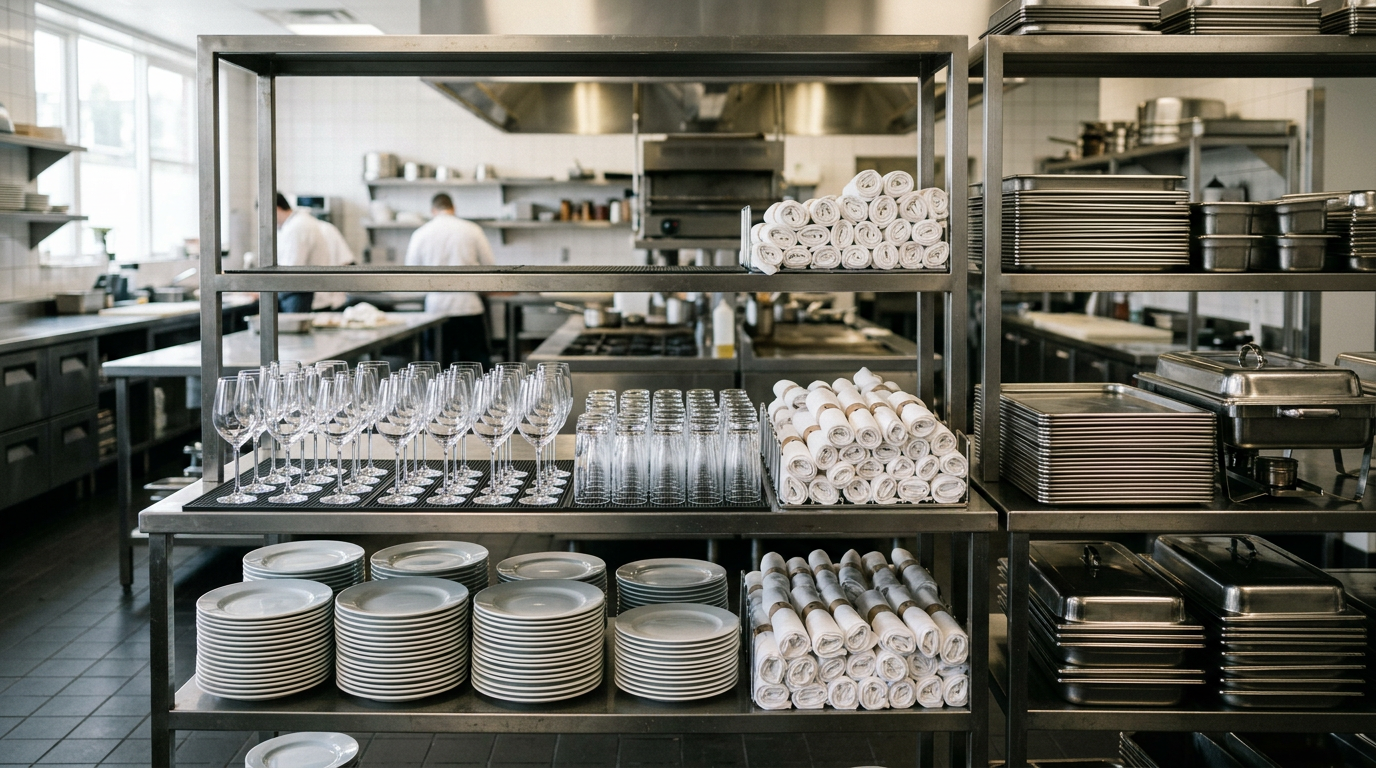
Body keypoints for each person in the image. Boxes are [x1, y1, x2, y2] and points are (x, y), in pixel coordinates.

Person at [404, 193, 496, 366]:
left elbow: (410, 273)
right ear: (453, 208)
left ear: (433, 210)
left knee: (438, 368)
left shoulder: (420, 233)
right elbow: (490, 266)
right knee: (474, 369)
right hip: (468, 306)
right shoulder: (472, 229)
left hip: (435, 308)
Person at [274, 192, 330, 313]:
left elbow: (290, 270)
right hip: (301, 295)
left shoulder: (298, 227)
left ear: (276, 209)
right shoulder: (293, 225)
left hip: (304, 298)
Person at [312, 217, 355, 311]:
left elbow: (346, 264)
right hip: (314, 300)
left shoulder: (326, 228)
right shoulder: (325, 228)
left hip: (330, 300)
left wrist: (336, 288)